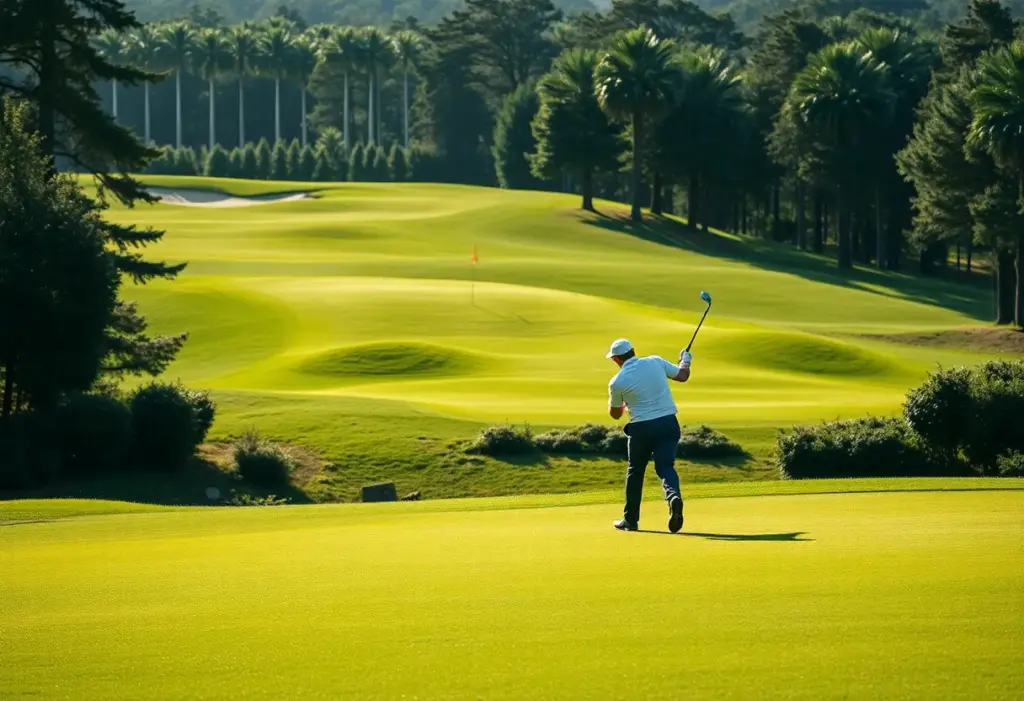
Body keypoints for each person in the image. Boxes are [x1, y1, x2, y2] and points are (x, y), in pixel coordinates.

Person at [605, 338, 691, 533]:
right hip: (668, 424)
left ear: (616, 360)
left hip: (641, 429)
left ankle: (630, 520)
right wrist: (685, 360)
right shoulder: (655, 361)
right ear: (633, 351)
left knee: (635, 471)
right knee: (665, 466)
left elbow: (615, 413)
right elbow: (683, 375)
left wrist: (623, 403)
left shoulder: (617, 382)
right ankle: (673, 497)